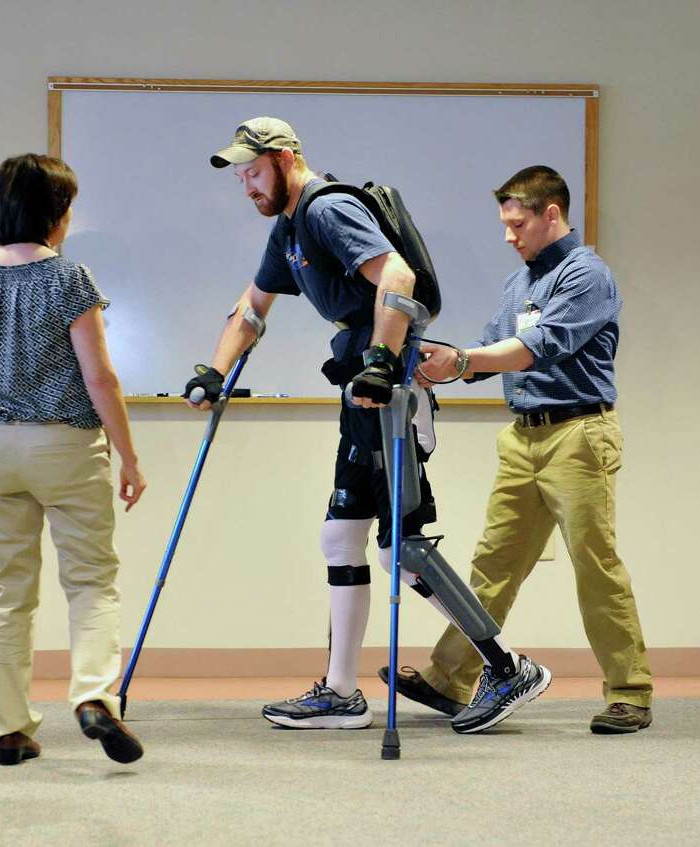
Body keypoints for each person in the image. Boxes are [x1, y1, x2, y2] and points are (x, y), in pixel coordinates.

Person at [193, 117, 550, 734]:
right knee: (342, 540)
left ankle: (505, 667)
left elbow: (398, 276)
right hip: (360, 388)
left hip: (389, 392)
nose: (247, 185)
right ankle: (339, 691)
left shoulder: (327, 209)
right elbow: (251, 308)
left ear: (283, 159)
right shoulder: (288, 230)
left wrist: (383, 363)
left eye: (253, 171)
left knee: (398, 547)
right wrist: (213, 370)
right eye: (242, 176)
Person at [386, 165, 654, 734]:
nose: (509, 236)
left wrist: (464, 362)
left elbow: (538, 347)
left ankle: (629, 691)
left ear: (551, 214)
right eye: (505, 225)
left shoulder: (587, 275)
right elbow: (489, 348)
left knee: (594, 564)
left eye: (517, 224)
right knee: (493, 563)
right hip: (522, 437)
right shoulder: (520, 282)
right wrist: (443, 362)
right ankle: (447, 677)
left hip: (578, 436)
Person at [0, 153, 148, 765]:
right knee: (90, 580)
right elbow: (101, 379)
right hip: (65, 446)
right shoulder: (69, 279)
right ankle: (92, 699)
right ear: (55, 213)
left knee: (10, 589)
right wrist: (130, 458)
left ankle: (10, 728)